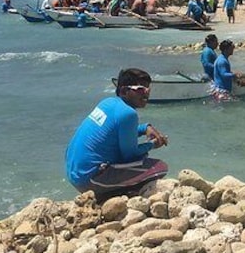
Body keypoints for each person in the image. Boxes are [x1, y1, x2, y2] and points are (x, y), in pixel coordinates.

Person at [65, 68, 169, 201]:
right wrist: (152, 145)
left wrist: (144, 128)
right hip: (89, 180)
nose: (147, 93)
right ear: (124, 91)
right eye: (141, 89)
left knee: (137, 158)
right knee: (160, 167)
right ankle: (115, 195)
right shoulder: (128, 114)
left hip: (75, 174)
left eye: (148, 88)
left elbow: (115, 134)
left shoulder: (107, 103)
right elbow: (130, 155)